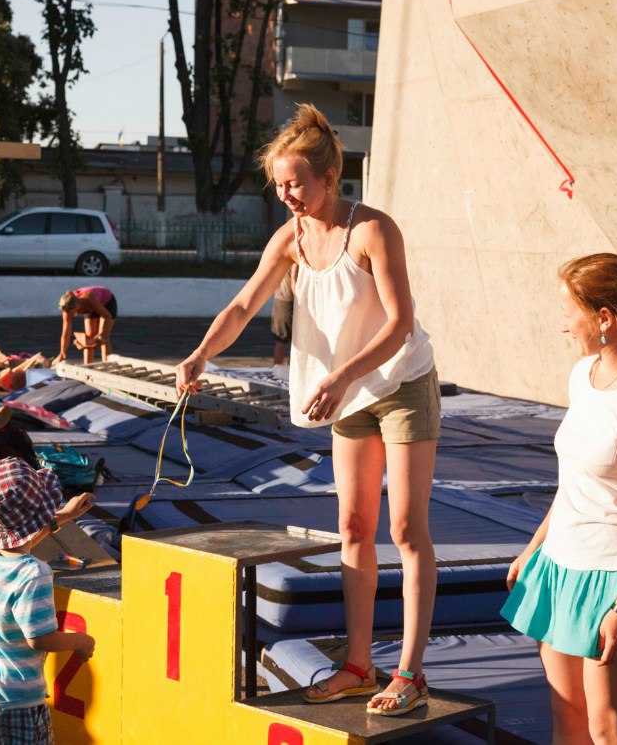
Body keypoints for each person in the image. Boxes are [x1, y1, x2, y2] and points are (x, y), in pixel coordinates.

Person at [176, 104, 439, 716]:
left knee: (405, 529)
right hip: (346, 395)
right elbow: (243, 307)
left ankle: (411, 671)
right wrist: (200, 355)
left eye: (294, 182)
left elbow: (400, 324)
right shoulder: (289, 240)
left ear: (328, 178)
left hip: (398, 383)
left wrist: (343, 374)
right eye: (278, 184)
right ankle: (357, 664)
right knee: (352, 528)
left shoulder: (373, 230)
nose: (285, 194)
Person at [500, 253, 617, 744]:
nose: (563, 326)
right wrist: (534, 548)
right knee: (567, 718)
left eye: (569, 313)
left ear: (604, 318)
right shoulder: (583, 375)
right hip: (559, 566)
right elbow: (575, 483)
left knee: (608, 730)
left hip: (613, 579)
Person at [0, 457, 96, 745]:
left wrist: (62, 516)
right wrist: (81, 641)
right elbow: (41, 639)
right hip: (18, 703)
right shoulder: (33, 574)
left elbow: (20, 541)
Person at [52, 286, 116, 365]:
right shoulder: (66, 308)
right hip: (91, 306)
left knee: (103, 339)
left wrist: (100, 335)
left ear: (77, 305)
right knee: (88, 338)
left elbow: (107, 316)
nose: (70, 315)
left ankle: (107, 365)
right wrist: (62, 353)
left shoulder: (89, 298)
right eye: (67, 312)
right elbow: (66, 332)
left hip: (107, 303)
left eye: (71, 312)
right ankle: (88, 368)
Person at [270, 267, 295, 380]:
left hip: (279, 298)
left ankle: (277, 368)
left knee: (280, 339)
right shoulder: (295, 261)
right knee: (293, 340)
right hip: (289, 300)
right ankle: (291, 369)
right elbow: (294, 280)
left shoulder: (282, 260)